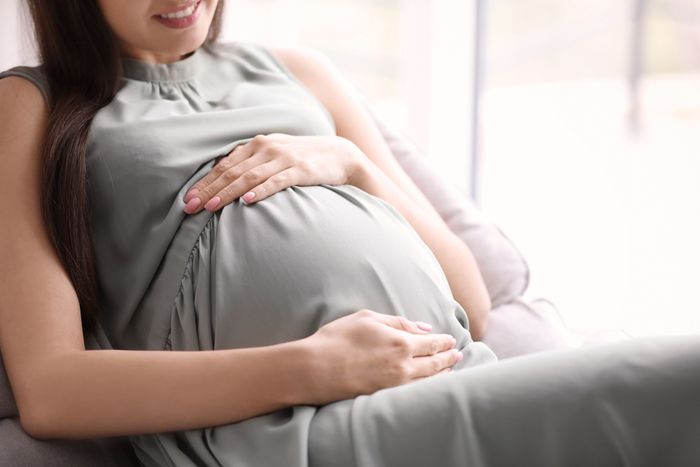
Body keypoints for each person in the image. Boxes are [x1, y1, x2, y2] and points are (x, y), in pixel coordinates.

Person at [1, 1, 698, 466]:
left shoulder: (300, 72)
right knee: (676, 383)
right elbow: (52, 388)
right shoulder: (32, 103)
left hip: (447, 374)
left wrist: (353, 164)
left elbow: (476, 306)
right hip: (292, 433)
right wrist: (312, 367)